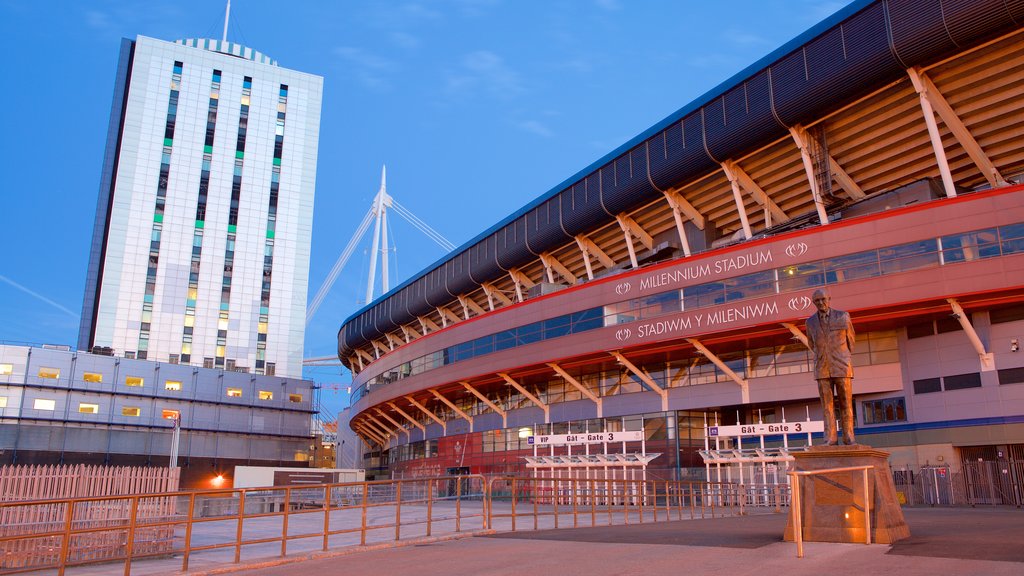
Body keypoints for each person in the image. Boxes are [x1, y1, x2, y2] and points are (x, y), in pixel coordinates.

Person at [805, 288, 856, 445]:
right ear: (813, 303)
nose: (821, 303)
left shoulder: (843, 316)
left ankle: (849, 437)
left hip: (842, 365)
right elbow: (812, 344)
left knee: (845, 403)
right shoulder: (810, 322)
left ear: (829, 298)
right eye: (817, 301)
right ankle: (830, 438)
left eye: (823, 299)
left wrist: (840, 355)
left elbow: (851, 341)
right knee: (827, 405)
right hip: (822, 367)